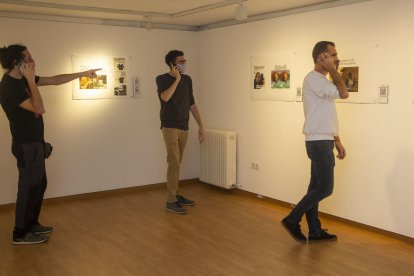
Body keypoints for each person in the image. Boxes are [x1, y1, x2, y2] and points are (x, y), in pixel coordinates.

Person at [0, 44, 100, 245]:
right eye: (28, 59)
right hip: (26, 145)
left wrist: (83, 73)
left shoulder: (22, 81)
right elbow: (39, 108)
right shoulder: (9, 86)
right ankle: (20, 233)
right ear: (16, 63)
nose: (33, 61)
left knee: (39, 185)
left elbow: (54, 80)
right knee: (27, 188)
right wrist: (30, 80)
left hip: (36, 143)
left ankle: (32, 224)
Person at [281, 41, 349, 243]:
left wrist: (337, 139)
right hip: (319, 143)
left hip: (323, 140)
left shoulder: (322, 82)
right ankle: (292, 219)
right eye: (333, 55)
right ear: (321, 57)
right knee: (325, 188)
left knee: (315, 188)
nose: (336, 58)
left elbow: (325, 114)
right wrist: (332, 70)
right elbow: (344, 93)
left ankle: (315, 231)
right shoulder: (314, 79)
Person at [155, 50, 204, 215]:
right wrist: (177, 79)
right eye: (181, 61)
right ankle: (171, 201)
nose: (184, 63)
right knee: (174, 162)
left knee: (178, 162)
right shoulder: (162, 79)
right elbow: (166, 97)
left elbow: (192, 104)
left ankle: (175, 195)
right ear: (172, 64)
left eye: (185, 60)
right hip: (170, 126)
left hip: (185, 126)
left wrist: (201, 125)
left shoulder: (188, 80)